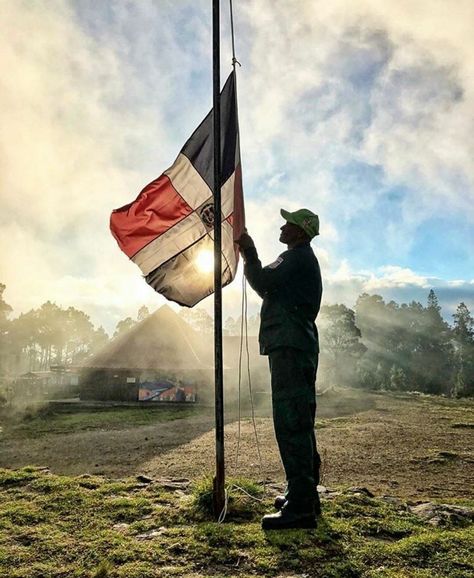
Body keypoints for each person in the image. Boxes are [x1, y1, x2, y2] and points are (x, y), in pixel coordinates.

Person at [236, 208, 322, 530]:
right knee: (301, 421)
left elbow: (262, 280)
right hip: (300, 345)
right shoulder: (302, 259)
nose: (283, 226)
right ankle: (304, 495)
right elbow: (268, 286)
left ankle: (300, 510)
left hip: (289, 347)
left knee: (291, 423)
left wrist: (249, 250)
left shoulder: (295, 258)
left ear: (300, 232)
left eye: (289, 223)